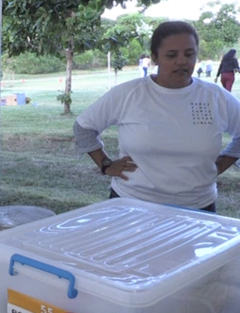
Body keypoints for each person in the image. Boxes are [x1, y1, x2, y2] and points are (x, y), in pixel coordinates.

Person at [73, 21, 240, 213]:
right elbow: (83, 127)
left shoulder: (215, 97)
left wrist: (220, 165)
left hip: (197, 208)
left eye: (189, 54)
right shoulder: (129, 93)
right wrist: (105, 165)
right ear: (155, 58)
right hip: (131, 205)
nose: (181, 61)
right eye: (171, 55)